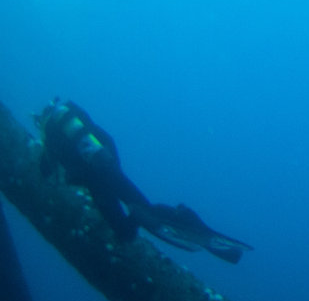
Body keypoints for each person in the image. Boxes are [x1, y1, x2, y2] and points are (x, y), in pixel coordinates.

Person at [36, 100, 251, 264]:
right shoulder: (74, 115)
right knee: (140, 205)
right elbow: (103, 137)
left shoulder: (51, 132)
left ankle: (151, 216)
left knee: (125, 230)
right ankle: (182, 216)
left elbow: (48, 171)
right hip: (108, 163)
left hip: (96, 177)